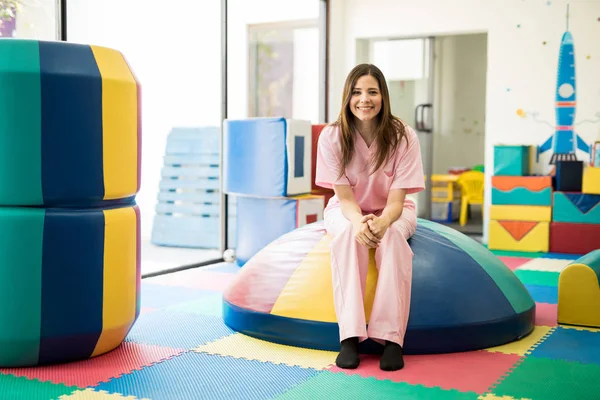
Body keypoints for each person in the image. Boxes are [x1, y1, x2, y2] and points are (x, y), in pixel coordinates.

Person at [315, 63, 425, 371]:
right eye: (357, 92)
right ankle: (349, 337)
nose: (365, 99)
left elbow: (397, 200)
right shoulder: (332, 136)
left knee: (391, 239)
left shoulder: (404, 136)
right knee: (350, 238)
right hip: (346, 211)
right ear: (347, 97)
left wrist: (382, 222)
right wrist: (358, 221)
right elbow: (345, 197)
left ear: (383, 97)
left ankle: (391, 340)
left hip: (395, 211)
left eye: (372, 92)